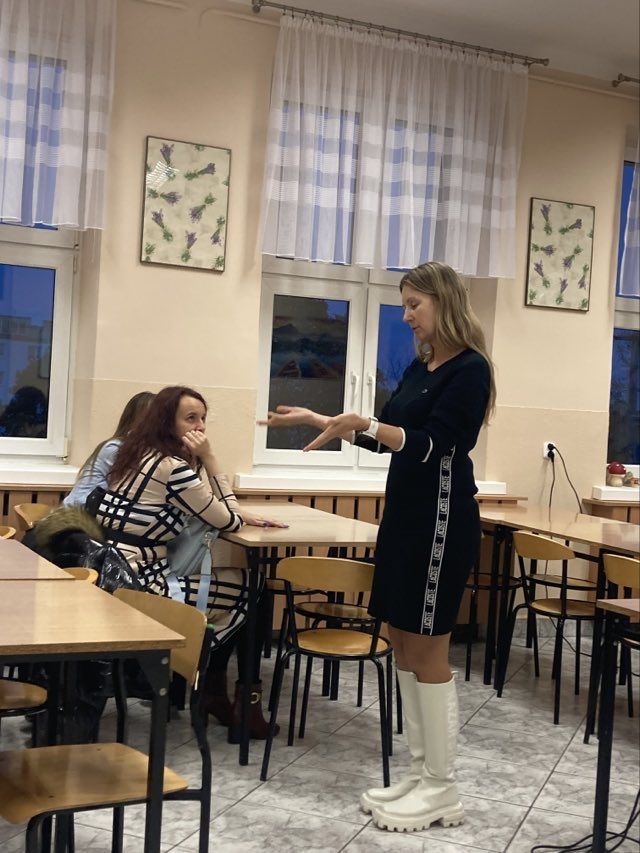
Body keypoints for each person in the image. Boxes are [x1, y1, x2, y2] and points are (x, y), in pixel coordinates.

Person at [261, 261, 495, 833]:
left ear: (443, 301)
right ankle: (419, 774)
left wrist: (364, 422)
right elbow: (386, 434)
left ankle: (442, 787)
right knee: (401, 641)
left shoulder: (470, 369)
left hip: (441, 521)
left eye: (415, 305)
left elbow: (435, 444)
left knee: (429, 649)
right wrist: (328, 419)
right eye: (405, 305)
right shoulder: (420, 367)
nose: (407, 316)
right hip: (405, 519)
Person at [97, 385, 286, 740]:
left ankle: (214, 688)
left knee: (231, 593)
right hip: (143, 590)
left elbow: (206, 510)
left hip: (112, 578)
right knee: (254, 587)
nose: (199, 427)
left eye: (203, 419)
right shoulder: (173, 469)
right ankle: (240, 704)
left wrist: (230, 510)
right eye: (190, 418)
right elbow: (228, 519)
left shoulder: (135, 457)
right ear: (166, 422)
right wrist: (210, 459)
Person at [63, 391, 156, 507]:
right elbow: (136, 486)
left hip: (97, 510)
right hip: (79, 512)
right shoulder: (115, 448)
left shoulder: (143, 450)